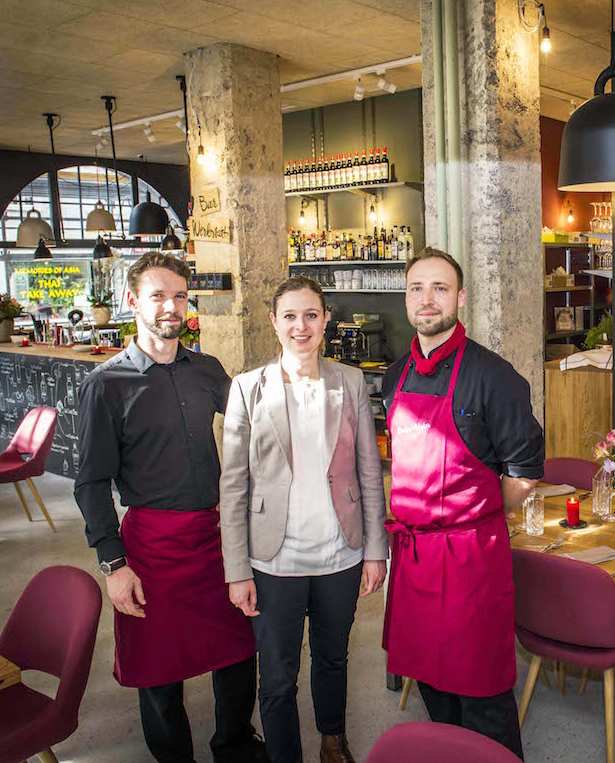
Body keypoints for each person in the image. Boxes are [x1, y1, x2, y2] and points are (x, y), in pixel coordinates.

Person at [74, 252, 265, 763]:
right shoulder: (105, 385)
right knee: (159, 670)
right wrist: (114, 564)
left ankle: (235, 743)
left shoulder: (207, 369)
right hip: (152, 545)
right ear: (132, 301)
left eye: (180, 295)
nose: (171, 306)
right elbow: (91, 484)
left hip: (215, 536)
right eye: (158, 295)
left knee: (238, 649)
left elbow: (260, 419)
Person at [381, 247, 544, 759]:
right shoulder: (394, 376)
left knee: (483, 692)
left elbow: (523, 474)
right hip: (412, 557)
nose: (427, 299)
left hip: (471, 557)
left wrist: (473, 517)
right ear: (406, 298)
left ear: (461, 298)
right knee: (430, 679)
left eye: (440, 288)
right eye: (416, 288)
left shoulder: (495, 376)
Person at [219, 276, 388, 763]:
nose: (301, 326)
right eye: (290, 316)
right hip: (274, 560)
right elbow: (233, 486)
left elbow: (368, 472)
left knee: (334, 658)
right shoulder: (248, 388)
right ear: (274, 322)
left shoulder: (349, 381)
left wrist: (376, 549)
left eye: (311, 315)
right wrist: (237, 571)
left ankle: (332, 742)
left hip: (341, 554)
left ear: (325, 320)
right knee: (276, 675)